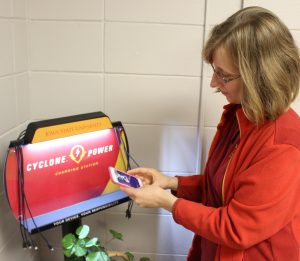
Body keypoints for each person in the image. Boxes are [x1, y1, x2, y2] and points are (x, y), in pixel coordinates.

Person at [121, 6, 300, 261]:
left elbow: (236, 227)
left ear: (259, 78)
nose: (214, 83)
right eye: (215, 71)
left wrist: (167, 202)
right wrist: (171, 183)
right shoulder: (240, 117)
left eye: (224, 75)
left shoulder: (284, 146)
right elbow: (222, 187)